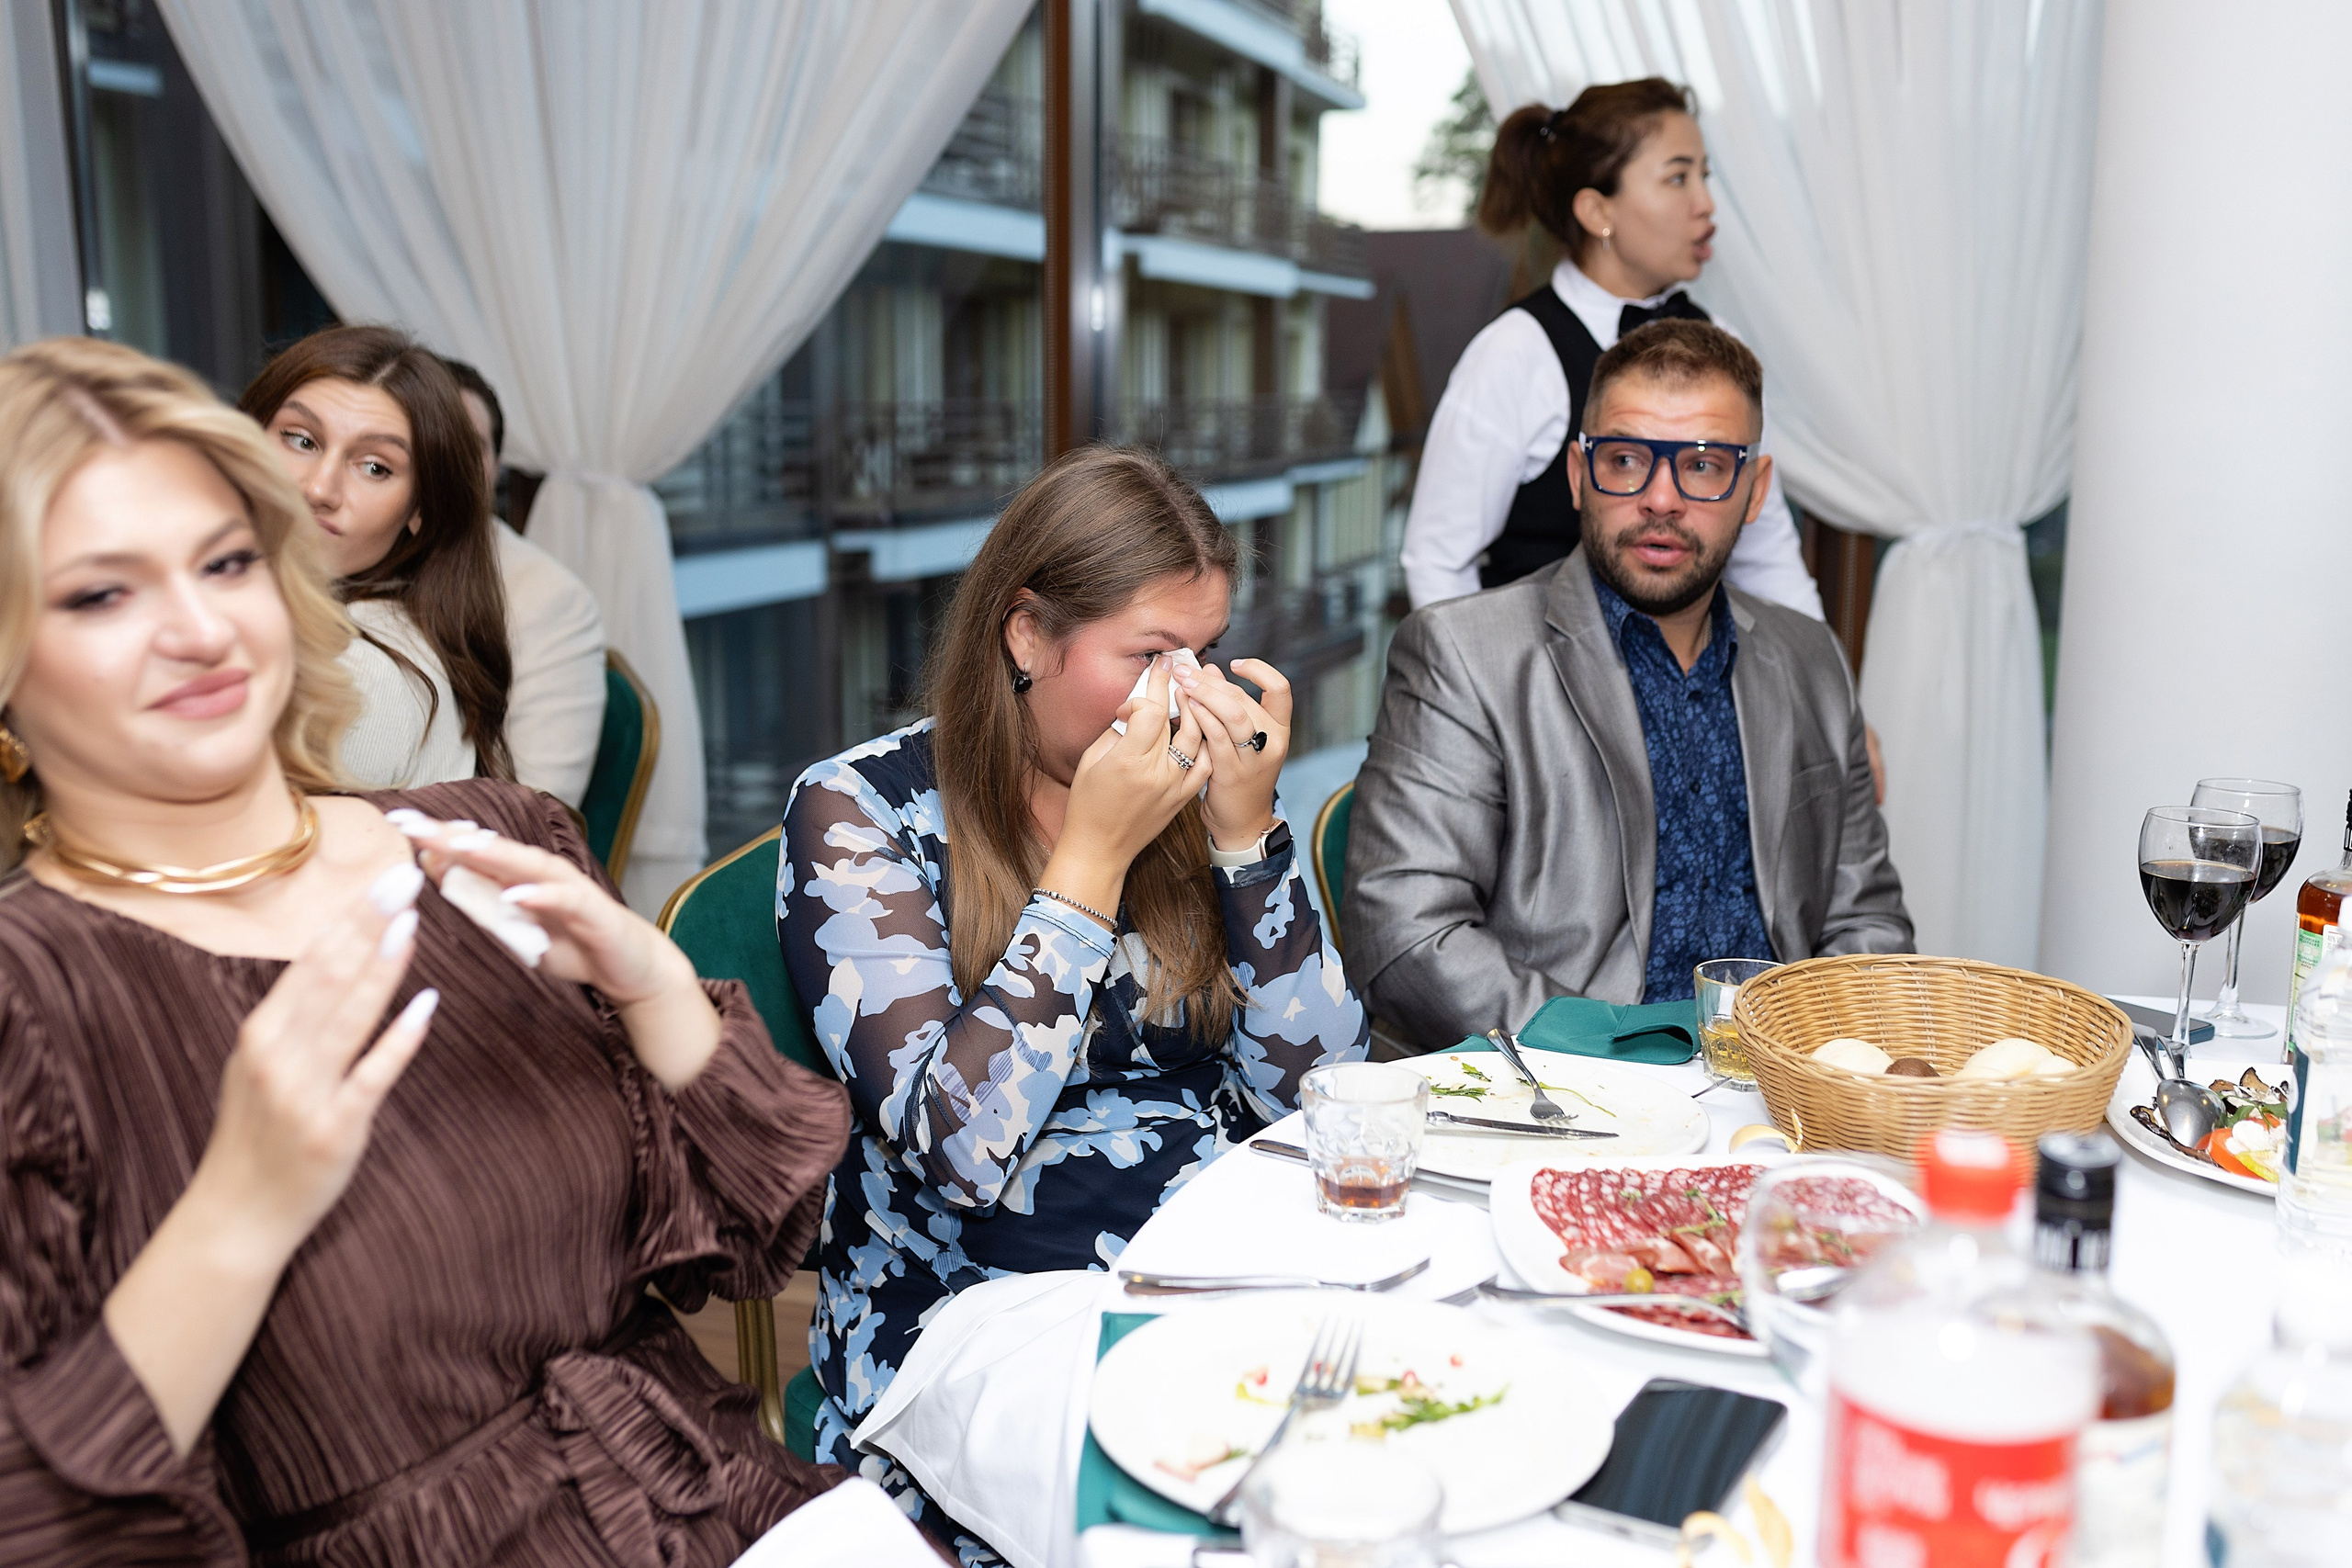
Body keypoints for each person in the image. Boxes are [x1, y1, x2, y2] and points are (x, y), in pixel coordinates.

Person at [0, 336, 855, 1564]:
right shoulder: (31, 1000)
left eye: (226, 559)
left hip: (734, 1508)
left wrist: (653, 981)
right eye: (99, 591)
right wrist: (240, 1208)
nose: (199, 627)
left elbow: (782, 1225)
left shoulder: (494, 836)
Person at [778, 446, 1369, 1547]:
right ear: (1026, 635)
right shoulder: (858, 815)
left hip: (1212, 1277)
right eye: (1149, 653)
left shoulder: (1188, 789)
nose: (1185, 694)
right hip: (967, 1314)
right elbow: (954, 1153)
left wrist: (1249, 840)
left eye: (1205, 653)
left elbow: (1322, 1101)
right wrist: (1088, 868)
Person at [1343, 321, 1910, 1048]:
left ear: (1754, 490)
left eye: (1703, 465)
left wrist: (1816, 1056)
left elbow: (1869, 922)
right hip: (1559, 1092)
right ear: (1580, 478)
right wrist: (1621, 1051)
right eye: (1626, 459)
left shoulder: (1812, 659)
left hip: (1778, 1095)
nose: (1662, 499)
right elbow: (1405, 933)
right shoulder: (1462, 653)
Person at [1399, 78, 1823, 619]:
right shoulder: (1515, 352)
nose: (1706, 205)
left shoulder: (1721, 341)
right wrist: (1486, 694)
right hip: (1540, 689)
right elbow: (1437, 559)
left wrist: (1824, 695)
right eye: (1677, 178)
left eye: (1704, 176)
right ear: (1598, 212)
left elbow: (1769, 560)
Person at [241, 327, 512, 791]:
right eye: (302, 440)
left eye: (374, 468)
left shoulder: (363, 678)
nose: (319, 489)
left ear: (420, 509)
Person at [441, 357, 608, 807]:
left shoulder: (547, 599)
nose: (448, 467)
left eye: (468, 448)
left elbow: (537, 807)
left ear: (495, 468)